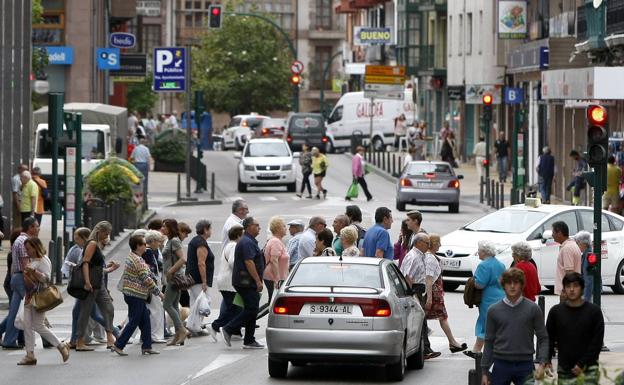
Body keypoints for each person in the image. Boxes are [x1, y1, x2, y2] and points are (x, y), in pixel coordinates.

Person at [481, 268, 549, 385]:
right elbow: (489, 341)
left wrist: (542, 362)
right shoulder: (493, 310)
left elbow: (543, 338)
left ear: (522, 285)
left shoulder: (533, 309)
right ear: (503, 285)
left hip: (525, 364)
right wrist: (484, 371)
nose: (512, 286)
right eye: (509, 283)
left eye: (516, 282)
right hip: (500, 364)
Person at [18, 237, 70, 365]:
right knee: (28, 326)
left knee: (38, 325)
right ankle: (30, 355)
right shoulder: (34, 260)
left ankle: (60, 345)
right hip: (29, 296)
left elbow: (46, 279)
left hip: (39, 297)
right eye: (26, 249)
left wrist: (33, 272)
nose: (27, 251)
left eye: (29, 248)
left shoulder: (43, 260)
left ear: (36, 247)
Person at [546, 273, 604, 383]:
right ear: (564, 289)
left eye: (576, 286)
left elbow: (596, 343)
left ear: (582, 288)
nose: (572, 289)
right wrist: (547, 358)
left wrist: (582, 364)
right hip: (565, 369)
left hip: (588, 369)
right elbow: (549, 338)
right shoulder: (556, 312)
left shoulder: (594, 311)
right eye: (568, 286)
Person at [112, 235, 163, 356]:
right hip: (136, 294)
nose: (146, 246)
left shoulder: (133, 256)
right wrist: (159, 293)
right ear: (138, 246)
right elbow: (146, 278)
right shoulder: (138, 260)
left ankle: (147, 346)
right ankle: (119, 345)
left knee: (145, 320)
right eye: (144, 244)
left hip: (132, 293)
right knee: (134, 321)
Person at [222, 217, 265, 349]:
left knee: (251, 309)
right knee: (252, 309)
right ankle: (229, 328)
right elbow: (249, 262)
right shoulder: (247, 242)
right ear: (249, 227)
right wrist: (258, 280)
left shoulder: (249, 241)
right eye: (257, 225)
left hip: (246, 281)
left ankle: (249, 339)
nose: (259, 228)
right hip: (246, 282)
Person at [75, 221, 117, 352]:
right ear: (100, 231)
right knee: (85, 311)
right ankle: (79, 342)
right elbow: (85, 263)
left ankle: (110, 338)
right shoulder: (92, 243)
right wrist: (87, 282)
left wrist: (110, 269)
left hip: (99, 283)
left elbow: (97, 266)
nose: (107, 236)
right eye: (106, 233)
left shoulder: (98, 244)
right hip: (92, 284)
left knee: (109, 308)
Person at [0, 217, 40, 349]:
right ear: (30, 228)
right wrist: (31, 281)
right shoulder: (24, 241)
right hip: (23, 278)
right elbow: (25, 265)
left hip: (17, 278)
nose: (38, 229)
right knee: (34, 307)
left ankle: (9, 340)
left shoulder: (19, 240)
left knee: (15, 311)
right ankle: (47, 340)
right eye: (37, 226)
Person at [400, 233, 441, 360]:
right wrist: (411, 294)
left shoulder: (420, 255)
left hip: (419, 290)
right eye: (427, 243)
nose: (429, 245)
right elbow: (407, 276)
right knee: (419, 320)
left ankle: (425, 348)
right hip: (415, 290)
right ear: (419, 243)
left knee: (421, 320)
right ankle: (424, 349)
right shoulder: (414, 256)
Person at [464, 240, 505, 359]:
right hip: (500, 296)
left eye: (479, 250)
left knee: (485, 323)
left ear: (484, 252)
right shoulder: (500, 264)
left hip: (487, 298)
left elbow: (480, 284)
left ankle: (480, 351)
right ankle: (477, 349)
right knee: (495, 324)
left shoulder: (483, 265)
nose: (478, 252)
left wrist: (472, 281)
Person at [426, 234, 466, 353]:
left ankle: (451, 342)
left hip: (435, 292)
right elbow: (428, 278)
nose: (440, 245)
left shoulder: (431, 256)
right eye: (438, 242)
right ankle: (452, 342)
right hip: (434, 292)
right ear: (433, 244)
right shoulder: (430, 258)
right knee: (441, 317)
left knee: (438, 317)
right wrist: (429, 297)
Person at [211, 225, 244, 338]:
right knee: (235, 308)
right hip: (229, 282)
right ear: (239, 235)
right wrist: (242, 270)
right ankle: (215, 326)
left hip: (225, 281)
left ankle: (233, 330)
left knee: (234, 307)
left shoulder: (228, 245)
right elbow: (232, 262)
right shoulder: (234, 246)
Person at [161, 219, 190, 346]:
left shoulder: (174, 240)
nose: (162, 229)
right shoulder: (170, 240)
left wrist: (170, 271)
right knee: (174, 304)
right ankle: (178, 335)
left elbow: (183, 258)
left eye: (164, 227)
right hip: (173, 277)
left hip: (174, 277)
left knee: (167, 305)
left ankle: (182, 330)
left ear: (170, 228)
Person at [186, 220, 215, 333]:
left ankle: (193, 325)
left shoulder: (196, 241)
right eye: (210, 229)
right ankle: (195, 326)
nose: (211, 231)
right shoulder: (201, 243)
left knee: (196, 302)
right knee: (204, 302)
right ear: (205, 230)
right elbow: (201, 263)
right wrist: (204, 281)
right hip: (198, 279)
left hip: (193, 278)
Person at [142, 230, 167, 343]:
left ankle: (147, 335)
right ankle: (155, 335)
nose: (160, 244)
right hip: (151, 285)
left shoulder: (149, 251)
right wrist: (156, 287)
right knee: (156, 310)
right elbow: (151, 271)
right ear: (152, 241)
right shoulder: (149, 252)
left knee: (143, 311)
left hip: (149, 285)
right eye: (158, 241)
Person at [551, 221, 582, 302]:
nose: (552, 235)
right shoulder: (572, 245)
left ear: (559, 233)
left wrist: (566, 291)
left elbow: (569, 272)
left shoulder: (567, 248)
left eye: (553, 232)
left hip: (567, 292)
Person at [263, 217, 289, 301]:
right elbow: (274, 260)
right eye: (284, 226)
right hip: (273, 277)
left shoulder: (277, 240)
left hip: (276, 277)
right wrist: (277, 280)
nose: (286, 228)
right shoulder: (275, 241)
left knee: (273, 301)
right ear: (278, 228)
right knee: (274, 301)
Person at [573, 231, 596, 302]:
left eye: (577, 243)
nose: (576, 245)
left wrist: (586, 300)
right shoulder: (585, 255)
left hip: (589, 294)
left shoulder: (588, 256)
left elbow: (589, 280)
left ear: (584, 244)